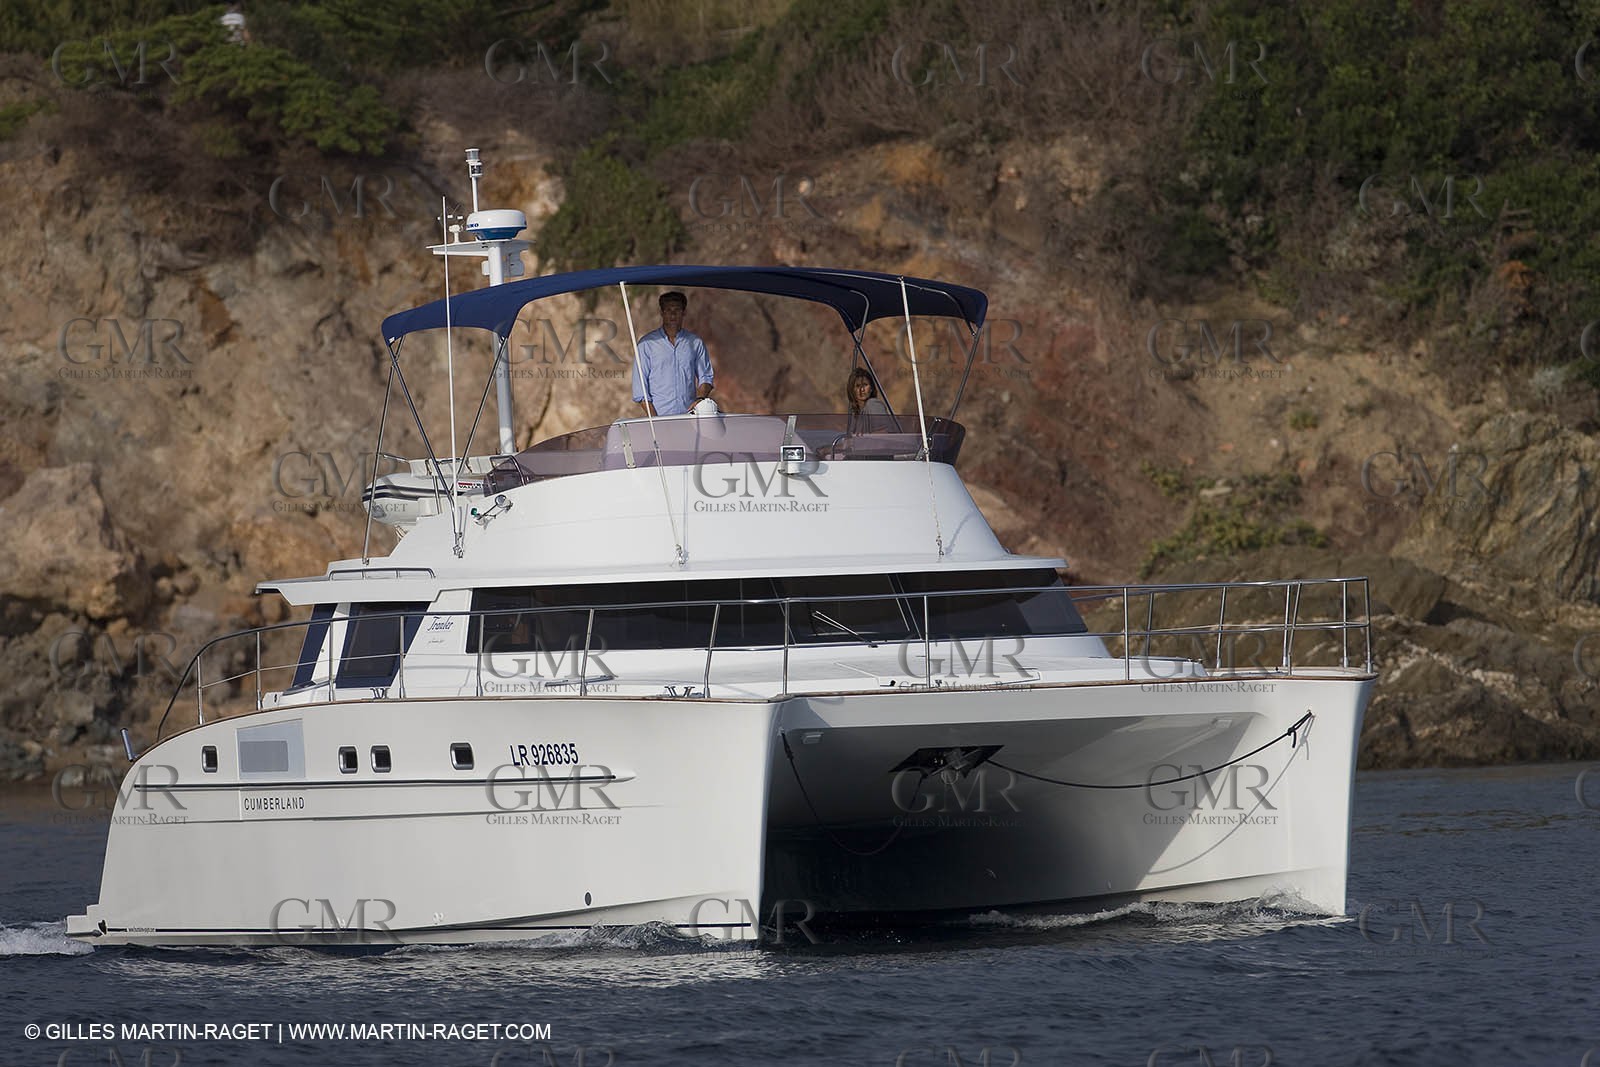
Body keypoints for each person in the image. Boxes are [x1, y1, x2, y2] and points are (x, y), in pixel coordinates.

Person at [633, 291, 713, 416]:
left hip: (689, 417)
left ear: (684, 312)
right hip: (659, 418)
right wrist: (655, 420)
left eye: (677, 310)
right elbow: (640, 389)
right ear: (662, 313)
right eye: (668, 310)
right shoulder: (646, 344)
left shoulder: (695, 343)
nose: (673, 314)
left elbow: (706, 377)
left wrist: (700, 399)